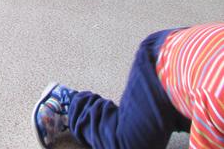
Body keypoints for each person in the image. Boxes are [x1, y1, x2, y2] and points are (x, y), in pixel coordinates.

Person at [32, 22, 224, 148]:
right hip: (158, 69)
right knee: (127, 143)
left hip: (195, 67)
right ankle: (70, 105)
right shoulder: (216, 94)